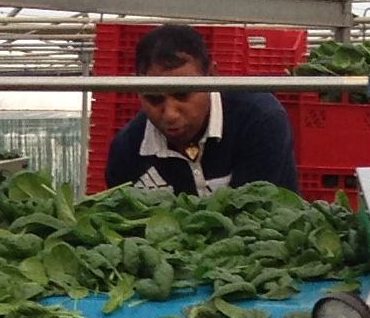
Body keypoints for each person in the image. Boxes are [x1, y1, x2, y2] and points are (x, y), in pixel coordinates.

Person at [101, 24, 298, 196]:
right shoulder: (127, 151)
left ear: (211, 77)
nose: (170, 114)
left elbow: (261, 217)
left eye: (183, 94)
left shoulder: (259, 121)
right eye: (154, 99)